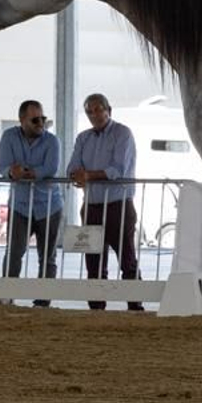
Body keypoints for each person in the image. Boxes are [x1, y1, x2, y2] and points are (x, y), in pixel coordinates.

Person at [66, 92, 143, 311]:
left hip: (119, 205)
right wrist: (78, 175)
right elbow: (72, 168)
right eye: (89, 111)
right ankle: (96, 307)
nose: (94, 114)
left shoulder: (123, 133)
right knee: (93, 260)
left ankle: (135, 306)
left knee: (126, 258)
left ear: (109, 110)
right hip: (91, 206)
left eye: (98, 109)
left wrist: (87, 175)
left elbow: (117, 170)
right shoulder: (83, 138)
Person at [0, 99, 61, 306]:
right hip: (20, 205)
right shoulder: (8, 137)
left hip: (49, 205)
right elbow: (5, 167)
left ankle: (43, 301)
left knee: (48, 256)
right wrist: (12, 172)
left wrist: (23, 172)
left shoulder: (52, 141)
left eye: (43, 118)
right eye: (35, 119)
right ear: (22, 120)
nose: (40, 123)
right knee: (14, 252)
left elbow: (50, 169)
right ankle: (7, 294)